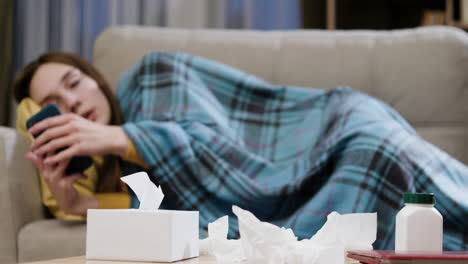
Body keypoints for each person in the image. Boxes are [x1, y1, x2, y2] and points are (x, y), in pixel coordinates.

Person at [13, 51, 468, 250]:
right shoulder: (126, 167)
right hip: (323, 170)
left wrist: (118, 137)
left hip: (333, 127)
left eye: (73, 84)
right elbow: (162, 214)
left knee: (374, 153)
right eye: (54, 105)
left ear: (95, 77)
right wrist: (77, 202)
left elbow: (215, 143)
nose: (71, 103)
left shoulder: (150, 76)